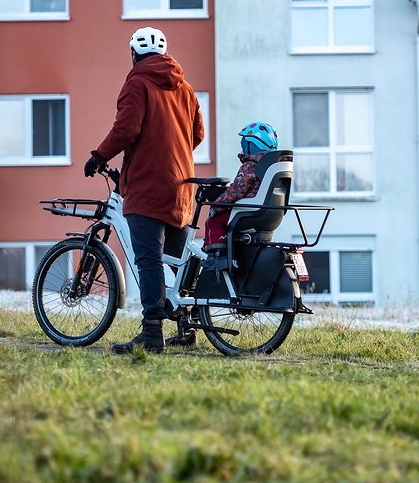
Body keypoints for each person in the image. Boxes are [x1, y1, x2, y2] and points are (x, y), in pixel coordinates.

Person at [84, 26, 204, 354]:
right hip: (182, 187)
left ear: (134, 54)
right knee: (177, 263)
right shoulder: (186, 88)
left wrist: (98, 157)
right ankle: (186, 328)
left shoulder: (137, 82)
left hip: (149, 187)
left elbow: (126, 129)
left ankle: (152, 332)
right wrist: (171, 151)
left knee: (148, 259)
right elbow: (197, 134)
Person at [201, 122, 280, 272]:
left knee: (214, 221)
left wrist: (217, 205)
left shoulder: (250, 165)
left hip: (248, 211)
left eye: (243, 143)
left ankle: (216, 257)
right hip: (269, 213)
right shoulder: (272, 164)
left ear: (251, 145)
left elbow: (237, 191)